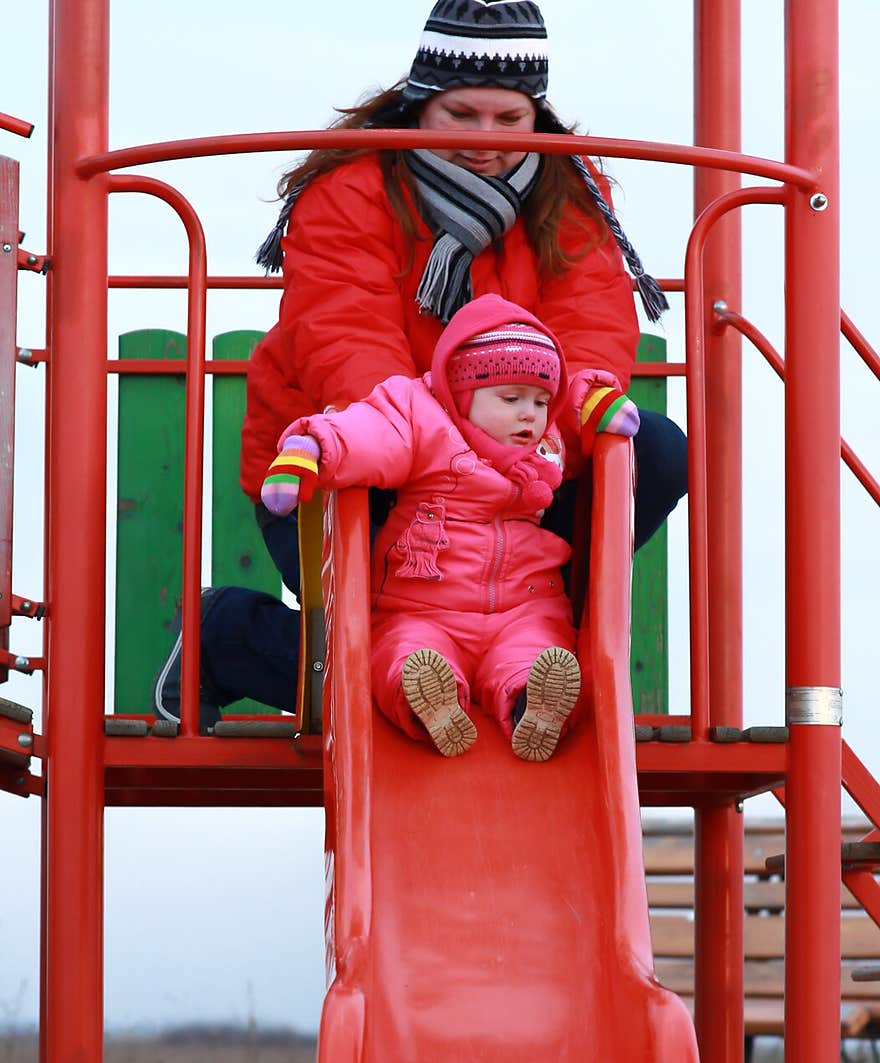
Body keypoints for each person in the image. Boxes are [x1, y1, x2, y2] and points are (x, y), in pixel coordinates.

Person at [154, 0, 687, 728]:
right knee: (390, 648)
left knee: (653, 448)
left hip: (517, 479)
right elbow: (346, 340)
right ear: (418, 104)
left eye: (508, 119)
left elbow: (589, 332)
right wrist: (446, 454)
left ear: (538, 118)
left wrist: (525, 445)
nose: (484, 139)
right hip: (371, 461)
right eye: (460, 115)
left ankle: (543, 667)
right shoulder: (353, 187)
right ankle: (228, 638)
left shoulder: (568, 193)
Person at [260, 294, 640, 760]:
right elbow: (368, 433)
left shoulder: (541, 448)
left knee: (538, 651)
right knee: (402, 651)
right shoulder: (423, 420)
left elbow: (575, 400)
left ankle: (532, 705)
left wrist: (595, 400)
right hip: (423, 607)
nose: (530, 414)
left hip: (523, 608)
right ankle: (426, 701)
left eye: (540, 401)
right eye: (511, 398)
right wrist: (312, 449)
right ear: (462, 394)